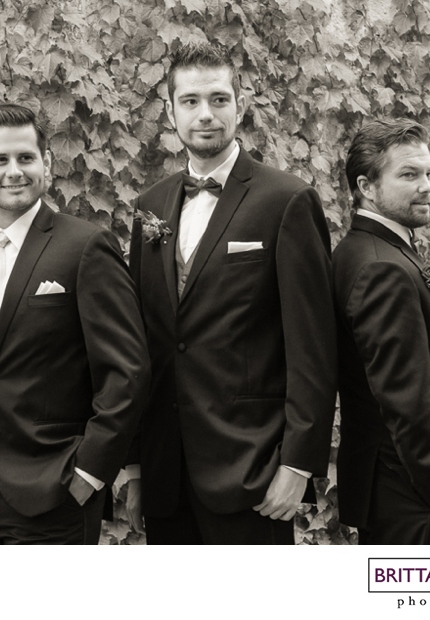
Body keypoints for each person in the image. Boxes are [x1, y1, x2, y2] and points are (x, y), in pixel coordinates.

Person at [126, 41, 337, 544]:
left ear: (240, 106)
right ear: (171, 111)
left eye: (219, 99)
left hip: (253, 471)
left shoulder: (287, 200)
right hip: (167, 474)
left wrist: (298, 466)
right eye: (191, 101)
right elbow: (144, 343)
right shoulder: (149, 207)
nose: (205, 114)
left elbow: (313, 346)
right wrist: (136, 467)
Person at [0, 104, 150, 545]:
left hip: (57, 492)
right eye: (0, 159)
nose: (14, 171)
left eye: (26, 157)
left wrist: (90, 472)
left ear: (46, 162)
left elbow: (128, 371)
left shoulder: (85, 246)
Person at [333, 118, 430, 544]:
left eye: (429, 174)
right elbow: (405, 403)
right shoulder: (381, 268)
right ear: (366, 186)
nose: (427, 186)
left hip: (398, 492)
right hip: (412, 499)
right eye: (409, 175)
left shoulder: (370, 251)